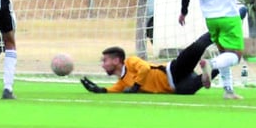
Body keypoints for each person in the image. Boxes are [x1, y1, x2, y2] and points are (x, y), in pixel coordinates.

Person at [80, 32, 220, 95]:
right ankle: (219, 64)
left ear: (116, 61)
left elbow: (145, 68)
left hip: (172, 71)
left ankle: (219, 28)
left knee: (196, 48)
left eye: (105, 60)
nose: (103, 64)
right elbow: (113, 90)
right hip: (175, 86)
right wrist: (98, 89)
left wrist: (136, 86)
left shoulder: (131, 62)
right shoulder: (122, 82)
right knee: (187, 90)